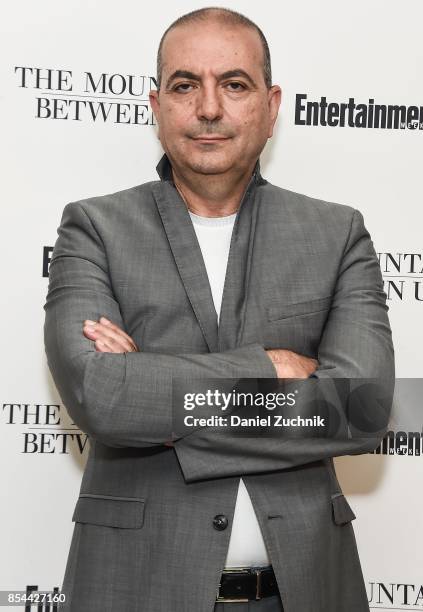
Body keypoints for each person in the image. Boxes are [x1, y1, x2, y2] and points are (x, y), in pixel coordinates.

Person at [44, 7, 395, 612]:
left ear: (270, 104)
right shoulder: (94, 228)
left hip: (305, 590)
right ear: (156, 105)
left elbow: (360, 409)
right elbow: (102, 398)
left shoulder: (337, 232)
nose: (209, 108)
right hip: (135, 589)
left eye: (234, 84)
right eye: (185, 85)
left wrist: (157, 397)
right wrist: (273, 369)